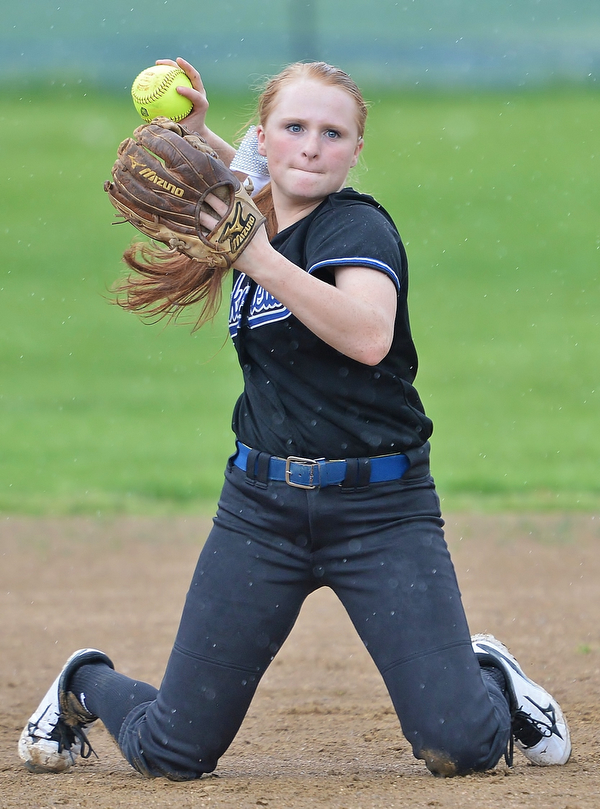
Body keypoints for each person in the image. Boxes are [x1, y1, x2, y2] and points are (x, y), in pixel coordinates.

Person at [18, 57, 571, 780]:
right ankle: (82, 681)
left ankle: (488, 674)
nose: (312, 145)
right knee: (172, 751)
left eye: (333, 132)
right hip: (262, 514)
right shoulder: (258, 211)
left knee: (459, 745)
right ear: (265, 140)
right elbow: (254, 188)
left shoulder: (356, 228)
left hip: (381, 511)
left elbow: (370, 335)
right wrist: (200, 137)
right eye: (294, 128)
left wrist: (259, 259)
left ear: (356, 151)